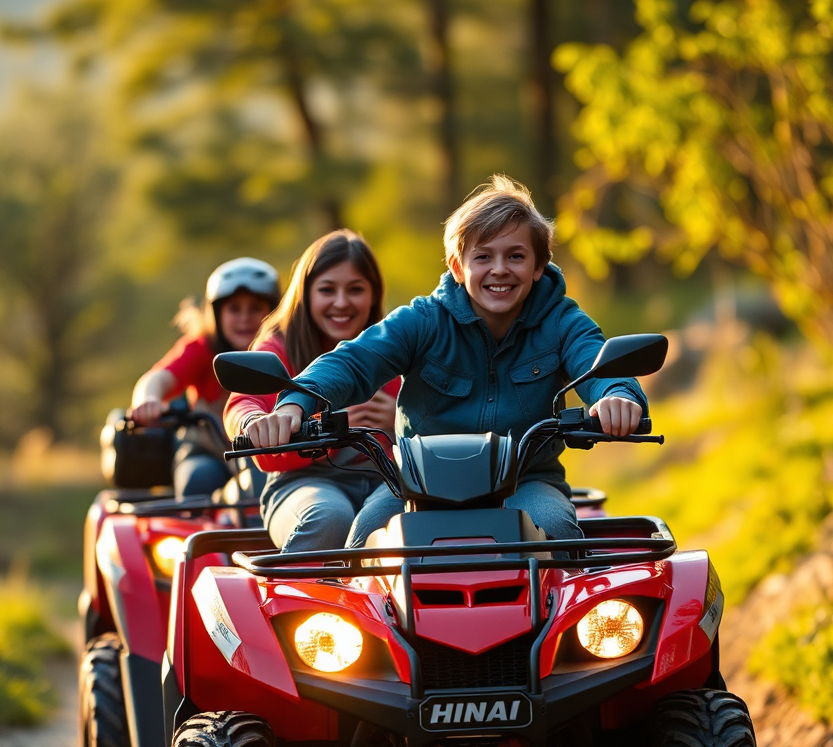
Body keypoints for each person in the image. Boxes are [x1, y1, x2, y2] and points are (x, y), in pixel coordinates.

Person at [243, 175, 648, 545]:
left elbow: (599, 362)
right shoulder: (422, 320)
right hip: (418, 487)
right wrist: (296, 404)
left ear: (540, 265)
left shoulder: (562, 321)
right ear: (457, 266)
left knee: (556, 531)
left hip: (526, 481)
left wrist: (616, 396)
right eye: (483, 257)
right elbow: (353, 361)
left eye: (517, 256)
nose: (500, 270)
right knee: (366, 539)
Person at [224, 231, 399, 552]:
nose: (341, 302)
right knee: (328, 517)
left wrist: (399, 418)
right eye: (327, 290)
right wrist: (254, 423)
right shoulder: (281, 345)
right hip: (306, 482)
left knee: (402, 520)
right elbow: (244, 402)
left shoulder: (394, 343)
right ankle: (296, 601)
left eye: (356, 289)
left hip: (386, 478)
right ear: (305, 293)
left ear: (374, 295)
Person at [130, 257, 281, 498]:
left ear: (274, 312)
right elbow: (158, 378)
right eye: (234, 309)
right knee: (197, 479)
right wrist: (147, 400)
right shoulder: (202, 348)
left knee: (272, 487)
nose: (245, 317)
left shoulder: (284, 350)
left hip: (270, 453)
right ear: (215, 314)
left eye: (255, 308)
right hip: (207, 451)